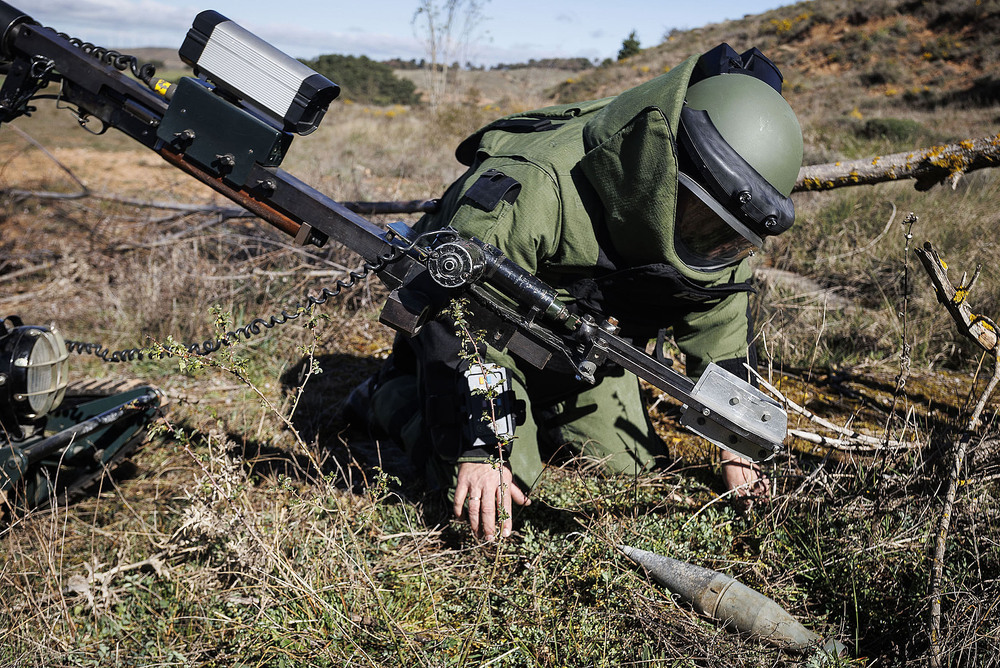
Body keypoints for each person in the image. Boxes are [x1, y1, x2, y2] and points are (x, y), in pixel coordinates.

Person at [349, 43, 804, 541]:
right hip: (481, 340)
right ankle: (390, 394)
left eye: (727, 236)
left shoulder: (717, 233)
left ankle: (539, 411)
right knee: (497, 492)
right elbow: (457, 316)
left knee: (634, 470)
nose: (710, 242)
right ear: (667, 171)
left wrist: (736, 439)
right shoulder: (536, 186)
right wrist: (483, 448)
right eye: (700, 221)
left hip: (583, 354)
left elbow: (719, 322)